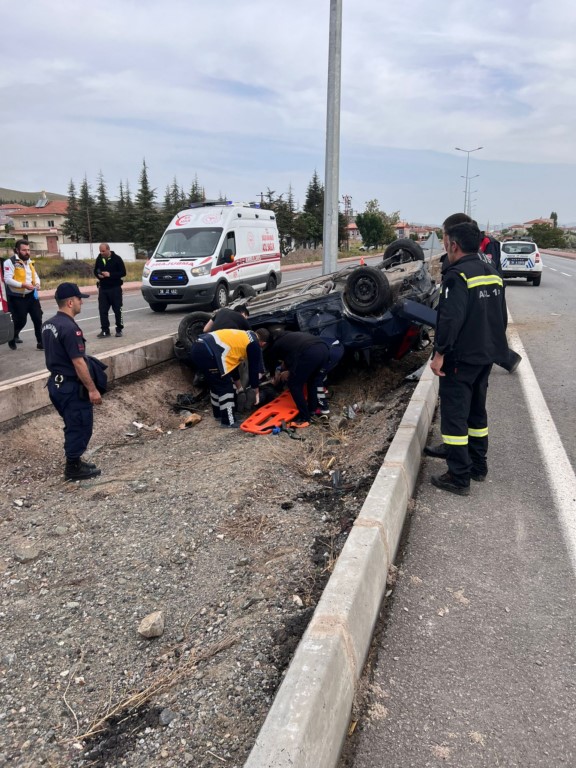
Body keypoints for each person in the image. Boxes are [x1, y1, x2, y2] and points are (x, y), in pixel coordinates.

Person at [428, 221, 509, 495]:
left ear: (454, 245)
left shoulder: (457, 276)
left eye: (445, 241)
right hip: (485, 356)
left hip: (460, 359)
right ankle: (478, 466)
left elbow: (450, 320)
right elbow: (501, 318)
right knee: (477, 413)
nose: (445, 246)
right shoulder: (492, 272)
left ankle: (459, 476)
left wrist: (439, 353)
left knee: (454, 418)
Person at [42, 282, 103, 480]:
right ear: (70, 302)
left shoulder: (48, 324)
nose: (81, 303)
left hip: (55, 384)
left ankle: (75, 461)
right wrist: (92, 389)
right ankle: (73, 467)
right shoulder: (70, 328)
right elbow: (78, 362)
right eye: (78, 299)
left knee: (71, 423)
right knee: (80, 424)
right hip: (69, 386)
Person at [261, 330, 344, 426]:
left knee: (294, 384)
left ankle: (304, 417)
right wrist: (287, 370)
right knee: (312, 380)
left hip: (309, 353)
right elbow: (291, 356)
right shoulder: (287, 336)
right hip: (324, 349)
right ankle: (312, 409)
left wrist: (275, 377)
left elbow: (277, 363)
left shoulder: (275, 347)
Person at [188, 328, 265, 427]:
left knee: (215, 384)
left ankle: (219, 414)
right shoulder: (253, 343)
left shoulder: (243, 336)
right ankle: (228, 421)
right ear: (263, 343)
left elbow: (232, 366)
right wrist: (256, 390)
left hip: (197, 347)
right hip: (209, 352)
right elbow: (253, 369)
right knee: (226, 387)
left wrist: (239, 387)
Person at [3, 239, 43, 350]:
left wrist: (38, 283)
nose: (27, 252)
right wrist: (23, 285)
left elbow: (35, 275)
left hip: (31, 296)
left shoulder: (29, 262)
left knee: (37, 318)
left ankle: (41, 342)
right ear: (17, 250)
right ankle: (12, 337)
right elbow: (7, 279)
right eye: (24, 250)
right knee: (20, 320)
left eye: (28, 250)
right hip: (17, 297)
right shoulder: (10, 262)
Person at [94, 243, 126, 338]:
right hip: (103, 288)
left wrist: (110, 274)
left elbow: (123, 272)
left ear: (108, 250)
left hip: (115, 288)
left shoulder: (117, 259)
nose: (101, 253)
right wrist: (98, 274)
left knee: (117, 309)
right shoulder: (99, 258)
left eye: (103, 251)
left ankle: (119, 329)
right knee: (102, 310)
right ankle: (105, 330)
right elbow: (96, 270)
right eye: (100, 251)